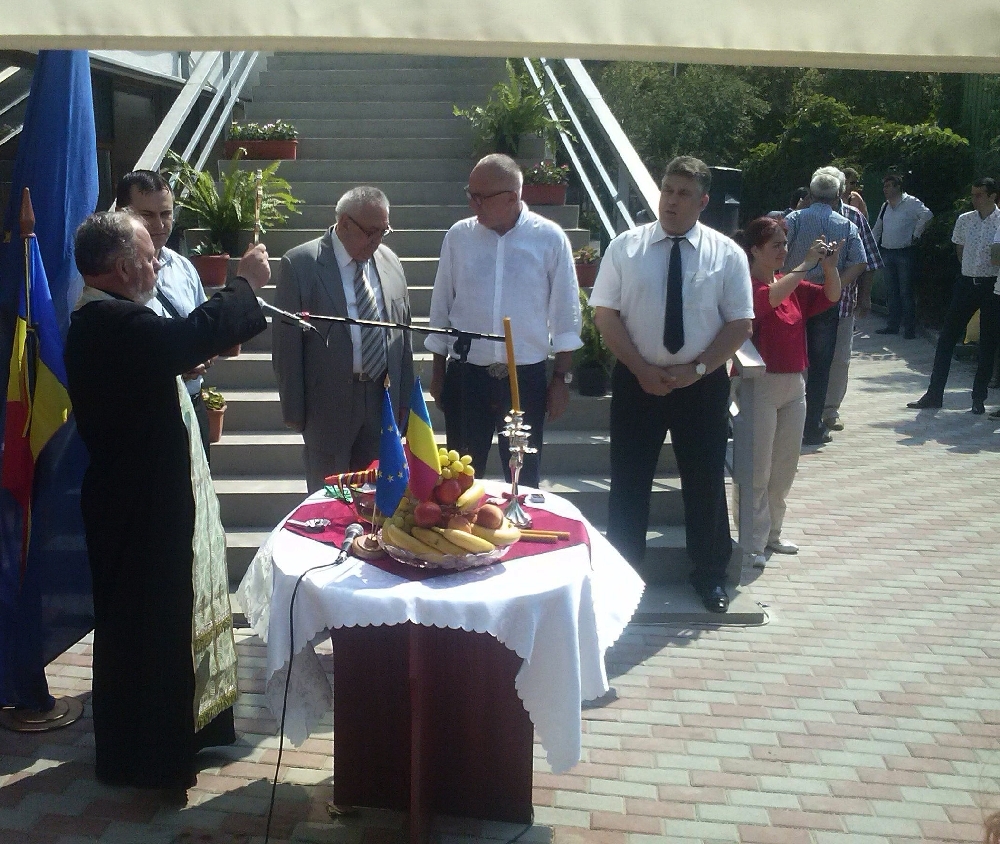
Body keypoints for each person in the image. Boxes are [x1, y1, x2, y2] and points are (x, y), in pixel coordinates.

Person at [64, 211, 270, 792]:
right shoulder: (109, 319)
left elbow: (166, 354)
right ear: (124, 266)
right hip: (138, 505)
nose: (158, 262)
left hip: (142, 495)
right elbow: (180, 338)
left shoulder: (115, 317)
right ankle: (148, 758)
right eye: (149, 255)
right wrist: (245, 283)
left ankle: (174, 737)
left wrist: (181, 358)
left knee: (156, 627)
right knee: (146, 631)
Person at [590, 155, 754, 614]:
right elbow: (605, 314)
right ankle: (620, 573)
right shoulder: (626, 247)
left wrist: (698, 369)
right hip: (636, 380)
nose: (672, 201)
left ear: (703, 201)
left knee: (703, 480)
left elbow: (740, 323)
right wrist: (641, 368)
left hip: (701, 385)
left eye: (683, 194)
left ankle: (710, 575)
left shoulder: (727, 254)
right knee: (628, 480)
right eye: (667, 190)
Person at [426, 153, 581, 488]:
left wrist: (561, 380)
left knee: (523, 479)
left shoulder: (549, 238)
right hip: (467, 376)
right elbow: (441, 309)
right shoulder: (458, 237)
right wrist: (438, 373)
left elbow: (566, 317)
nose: (473, 205)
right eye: (470, 195)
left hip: (524, 379)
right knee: (459, 481)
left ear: (513, 197)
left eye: (482, 198)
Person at [272, 186, 413, 492]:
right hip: (327, 404)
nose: (376, 241)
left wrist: (405, 401)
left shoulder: (390, 262)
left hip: (381, 399)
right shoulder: (301, 265)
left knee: (377, 497)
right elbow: (286, 348)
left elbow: (404, 336)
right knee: (330, 498)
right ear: (344, 222)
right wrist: (294, 411)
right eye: (370, 232)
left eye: (383, 232)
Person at [735, 217, 841, 567]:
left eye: (784, 244)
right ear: (754, 250)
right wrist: (804, 266)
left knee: (784, 468)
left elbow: (831, 295)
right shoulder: (746, 285)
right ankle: (751, 541)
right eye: (775, 245)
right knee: (756, 468)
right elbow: (763, 302)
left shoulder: (789, 282)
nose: (783, 250)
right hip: (758, 385)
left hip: (794, 384)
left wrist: (829, 268)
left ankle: (773, 534)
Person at [116, 170, 214, 459]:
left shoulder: (184, 267)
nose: (159, 225)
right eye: (148, 215)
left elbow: (204, 330)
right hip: (144, 415)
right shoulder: (111, 274)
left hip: (193, 407)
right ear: (124, 213)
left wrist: (204, 353)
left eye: (166, 214)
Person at [783, 167, 867, 445]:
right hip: (825, 299)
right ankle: (813, 426)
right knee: (821, 365)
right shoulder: (846, 224)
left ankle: (784, 422)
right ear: (836, 196)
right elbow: (859, 261)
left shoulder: (794, 218)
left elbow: (778, 251)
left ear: (810, 193)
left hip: (792, 293)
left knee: (789, 360)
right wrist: (836, 284)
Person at [907, 178, 1000, 414]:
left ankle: (979, 398)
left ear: (992, 196)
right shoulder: (965, 220)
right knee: (947, 337)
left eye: (980, 195)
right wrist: (969, 271)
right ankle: (934, 393)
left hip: (992, 286)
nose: (974, 199)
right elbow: (960, 250)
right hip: (967, 282)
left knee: (988, 342)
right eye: (973, 194)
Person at [823, 166, 884, 432]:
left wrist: (865, 297)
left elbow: (868, 260)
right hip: (804, 305)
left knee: (839, 358)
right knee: (808, 356)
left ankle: (830, 410)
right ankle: (804, 406)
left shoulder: (855, 217)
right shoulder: (800, 218)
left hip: (843, 303)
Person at [871, 173, 933, 338]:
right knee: (891, 291)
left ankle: (909, 329)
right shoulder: (885, 206)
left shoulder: (911, 202)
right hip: (887, 251)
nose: (885, 189)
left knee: (905, 291)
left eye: (888, 186)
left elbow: (927, 215)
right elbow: (878, 228)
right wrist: (870, 246)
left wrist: (916, 233)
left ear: (898, 187)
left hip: (905, 251)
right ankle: (892, 325)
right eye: (884, 186)